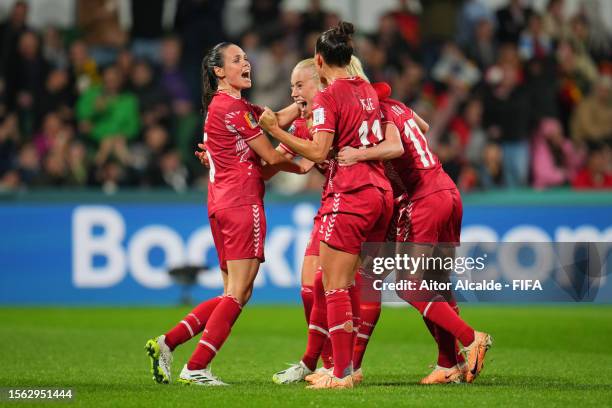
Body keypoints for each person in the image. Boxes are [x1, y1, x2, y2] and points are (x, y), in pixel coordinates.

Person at [145, 42, 303, 386]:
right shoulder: (233, 109)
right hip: (242, 203)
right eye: (237, 60)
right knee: (237, 293)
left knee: (234, 292)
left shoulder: (229, 107)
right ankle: (197, 367)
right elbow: (271, 157)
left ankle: (167, 343)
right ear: (219, 71)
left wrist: (303, 104)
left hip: (220, 204)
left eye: (246, 58)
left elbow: (274, 120)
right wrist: (304, 164)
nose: (246, 63)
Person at [259, 22, 394, 389]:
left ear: (319, 63)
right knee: (346, 283)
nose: (296, 92)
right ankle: (337, 365)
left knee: (334, 286)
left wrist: (277, 128)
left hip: (349, 195)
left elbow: (315, 152)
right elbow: (289, 157)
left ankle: (341, 371)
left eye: (299, 84)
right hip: (380, 193)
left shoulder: (327, 100)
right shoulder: (365, 88)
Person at [338, 82, 493, 384]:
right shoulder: (398, 107)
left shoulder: (379, 116)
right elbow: (422, 125)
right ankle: (449, 364)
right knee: (438, 283)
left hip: (422, 198)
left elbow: (395, 147)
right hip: (447, 190)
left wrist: (359, 154)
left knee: (408, 285)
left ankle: (471, 337)